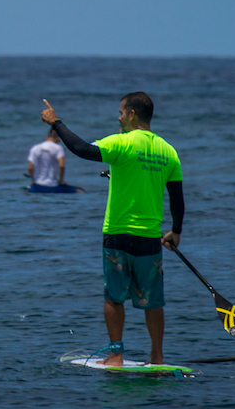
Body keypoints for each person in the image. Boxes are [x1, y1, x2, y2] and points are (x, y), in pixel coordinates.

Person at [41, 93, 184, 366]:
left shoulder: (121, 143)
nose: (118, 117)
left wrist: (56, 122)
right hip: (150, 239)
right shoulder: (169, 151)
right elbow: (177, 197)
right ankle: (157, 355)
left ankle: (116, 354)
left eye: (120, 112)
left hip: (117, 235)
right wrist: (175, 231)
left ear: (131, 114)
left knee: (114, 297)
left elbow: (82, 149)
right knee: (152, 301)